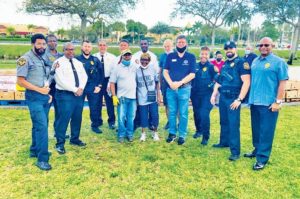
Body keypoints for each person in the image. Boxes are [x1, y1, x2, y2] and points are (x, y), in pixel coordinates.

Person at [245, 37, 288, 170]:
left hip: (269, 104)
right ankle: (257, 149)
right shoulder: (255, 61)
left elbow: (282, 82)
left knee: (266, 131)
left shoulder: (279, 62)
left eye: (267, 45)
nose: (263, 47)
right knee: (256, 129)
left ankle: (262, 158)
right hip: (255, 102)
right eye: (261, 45)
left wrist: (278, 102)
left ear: (272, 46)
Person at [16, 33, 52, 171]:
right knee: (42, 126)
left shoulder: (43, 57)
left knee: (39, 125)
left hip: (44, 97)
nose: (42, 46)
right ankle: (42, 159)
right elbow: (21, 81)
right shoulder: (25, 59)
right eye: (39, 44)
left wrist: (47, 93)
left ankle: (35, 149)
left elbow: (44, 76)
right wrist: (40, 90)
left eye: (44, 44)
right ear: (33, 44)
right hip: (34, 97)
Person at [210, 41, 251, 161]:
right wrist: (214, 94)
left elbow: (246, 82)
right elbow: (219, 80)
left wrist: (239, 99)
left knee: (233, 124)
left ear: (235, 49)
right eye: (226, 49)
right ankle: (224, 142)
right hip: (223, 97)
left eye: (230, 48)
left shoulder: (242, 63)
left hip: (234, 98)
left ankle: (235, 151)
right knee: (224, 121)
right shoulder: (225, 64)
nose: (228, 50)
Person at [53, 42, 88, 154]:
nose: (70, 51)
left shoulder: (78, 62)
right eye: (68, 49)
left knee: (77, 117)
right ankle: (60, 144)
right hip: (65, 95)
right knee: (63, 119)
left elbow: (84, 76)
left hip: (78, 94)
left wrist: (81, 88)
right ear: (63, 50)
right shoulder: (58, 62)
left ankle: (74, 139)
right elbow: (60, 80)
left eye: (72, 49)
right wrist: (75, 89)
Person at [163, 35, 196, 145]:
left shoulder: (191, 57)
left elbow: (192, 74)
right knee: (172, 112)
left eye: (182, 42)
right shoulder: (170, 56)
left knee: (183, 113)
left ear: (186, 44)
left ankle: (182, 135)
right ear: (176, 44)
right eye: (179, 42)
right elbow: (165, 72)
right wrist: (171, 83)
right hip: (171, 89)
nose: (180, 44)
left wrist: (180, 83)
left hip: (184, 89)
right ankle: (172, 133)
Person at [191, 46, 217, 145]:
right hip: (195, 94)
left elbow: (216, 78)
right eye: (202, 54)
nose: (204, 56)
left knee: (204, 114)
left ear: (209, 55)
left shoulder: (211, 67)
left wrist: (213, 88)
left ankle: (205, 137)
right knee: (196, 113)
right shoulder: (195, 66)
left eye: (206, 54)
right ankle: (199, 131)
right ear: (199, 54)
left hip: (207, 95)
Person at [77, 40, 104, 134]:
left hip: (93, 87)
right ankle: (76, 127)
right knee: (78, 108)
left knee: (94, 107)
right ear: (81, 47)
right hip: (81, 88)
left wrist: (99, 86)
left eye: (89, 46)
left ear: (91, 48)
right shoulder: (76, 59)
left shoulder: (95, 60)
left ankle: (95, 125)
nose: (87, 48)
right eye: (85, 46)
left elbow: (101, 74)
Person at [110, 49, 137, 143]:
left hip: (133, 97)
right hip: (122, 97)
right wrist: (114, 96)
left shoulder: (135, 67)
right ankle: (121, 134)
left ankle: (129, 134)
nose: (127, 56)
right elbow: (112, 83)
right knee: (121, 117)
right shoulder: (117, 68)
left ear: (131, 56)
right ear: (122, 56)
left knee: (131, 117)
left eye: (129, 55)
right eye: (125, 55)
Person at [132, 39, 159, 131]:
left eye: (145, 44)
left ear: (148, 44)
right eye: (142, 44)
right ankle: (138, 123)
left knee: (152, 111)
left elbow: (156, 76)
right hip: (140, 86)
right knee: (140, 110)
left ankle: (152, 125)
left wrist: (157, 92)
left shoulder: (153, 56)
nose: (143, 45)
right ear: (140, 45)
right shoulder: (135, 56)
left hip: (150, 89)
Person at [43, 34, 66, 138]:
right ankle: (43, 134)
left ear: (57, 42)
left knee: (60, 111)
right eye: (50, 41)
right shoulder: (43, 55)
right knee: (45, 111)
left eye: (54, 41)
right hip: (47, 87)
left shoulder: (62, 55)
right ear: (47, 43)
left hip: (59, 87)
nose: (52, 43)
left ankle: (59, 132)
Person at [136, 53, 160, 142]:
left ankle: (155, 133)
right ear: (140, 60)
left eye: (146, 60)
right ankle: (143, 133)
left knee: (154, 116)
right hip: (142, 97)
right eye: (142, 60)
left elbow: (157, 82)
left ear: (149, 61)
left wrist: (159, 95)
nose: (144, 62)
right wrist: (137, 100)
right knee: (143, 117)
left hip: (152, 97)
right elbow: (136, 86)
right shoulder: (137, 71)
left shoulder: (153, 69)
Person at [94, 40, 117, 130]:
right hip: (97, 81)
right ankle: (98, 120)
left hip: (108, 80)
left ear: (107, 46)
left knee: (109, 103)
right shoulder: (94, 57)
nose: (102, 47)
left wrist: (110, 83)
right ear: (98, 46)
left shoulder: (112, 57)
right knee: (97, 102)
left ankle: (111, 122)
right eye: (100, 45)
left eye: (104, 45)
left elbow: (114, 72)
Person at [159, 39, 174, 130]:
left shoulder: (176, 55)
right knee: (167, 104)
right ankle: (170, 122)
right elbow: (160, 71)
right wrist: (160, 84)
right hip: (165, 84)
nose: (167, 48)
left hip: (174, 84)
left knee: (175, 104)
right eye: (165, 46)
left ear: (172, 46)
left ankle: (178, 122)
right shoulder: (162, 56)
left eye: (168, 46)